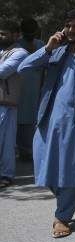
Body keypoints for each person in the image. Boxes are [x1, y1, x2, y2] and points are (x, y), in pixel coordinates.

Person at [18, 10, 75, 238]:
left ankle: (62, 216)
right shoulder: (56, 52)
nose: (71, 30)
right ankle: (73, 196)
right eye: (68, 25)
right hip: (48, 120)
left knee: (72, 172)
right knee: (44, 168)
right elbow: (23, 68)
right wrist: (48, 48)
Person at [0, 20, 30, 188]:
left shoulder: (20, 53)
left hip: (7, 104)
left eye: (4, 33)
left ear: (16, 35)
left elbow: (3, 72)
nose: (1, 36)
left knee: (6, 142)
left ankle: (6, 175)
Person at [14, 18, 43, 161]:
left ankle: (32, 150)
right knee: (20, 120)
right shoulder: (16, 47)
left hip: (36, 89)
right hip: (18, 89)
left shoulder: (42, 45)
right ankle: (23, 150)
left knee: (34, 120)